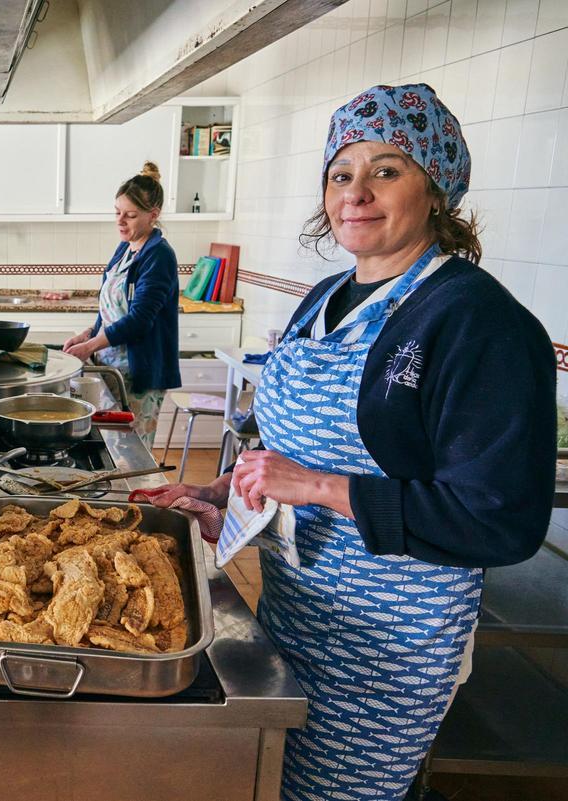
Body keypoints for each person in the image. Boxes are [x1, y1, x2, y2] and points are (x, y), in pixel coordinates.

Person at [145, 84, 555, 800]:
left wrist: (315, 488)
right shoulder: (327, 296)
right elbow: (288, 451)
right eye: (341, 173)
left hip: (389, 644)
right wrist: (229, 495)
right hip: (295, 608)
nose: (356, 192)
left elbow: (501, 517)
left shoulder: (475, 319)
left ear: (436, 187)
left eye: (386, 169)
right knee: (269, 782)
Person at [63, 162, 180, 449]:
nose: (121, 221)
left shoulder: (158, 255)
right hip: (112, 367)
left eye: (130, 215)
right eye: (117, 213)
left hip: (139, 371)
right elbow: (110, 307)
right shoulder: (125, 249)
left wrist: (90, 347)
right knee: (109, 444)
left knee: (132, 448)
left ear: (154, 215)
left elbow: (140, 318)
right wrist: (88, 334)